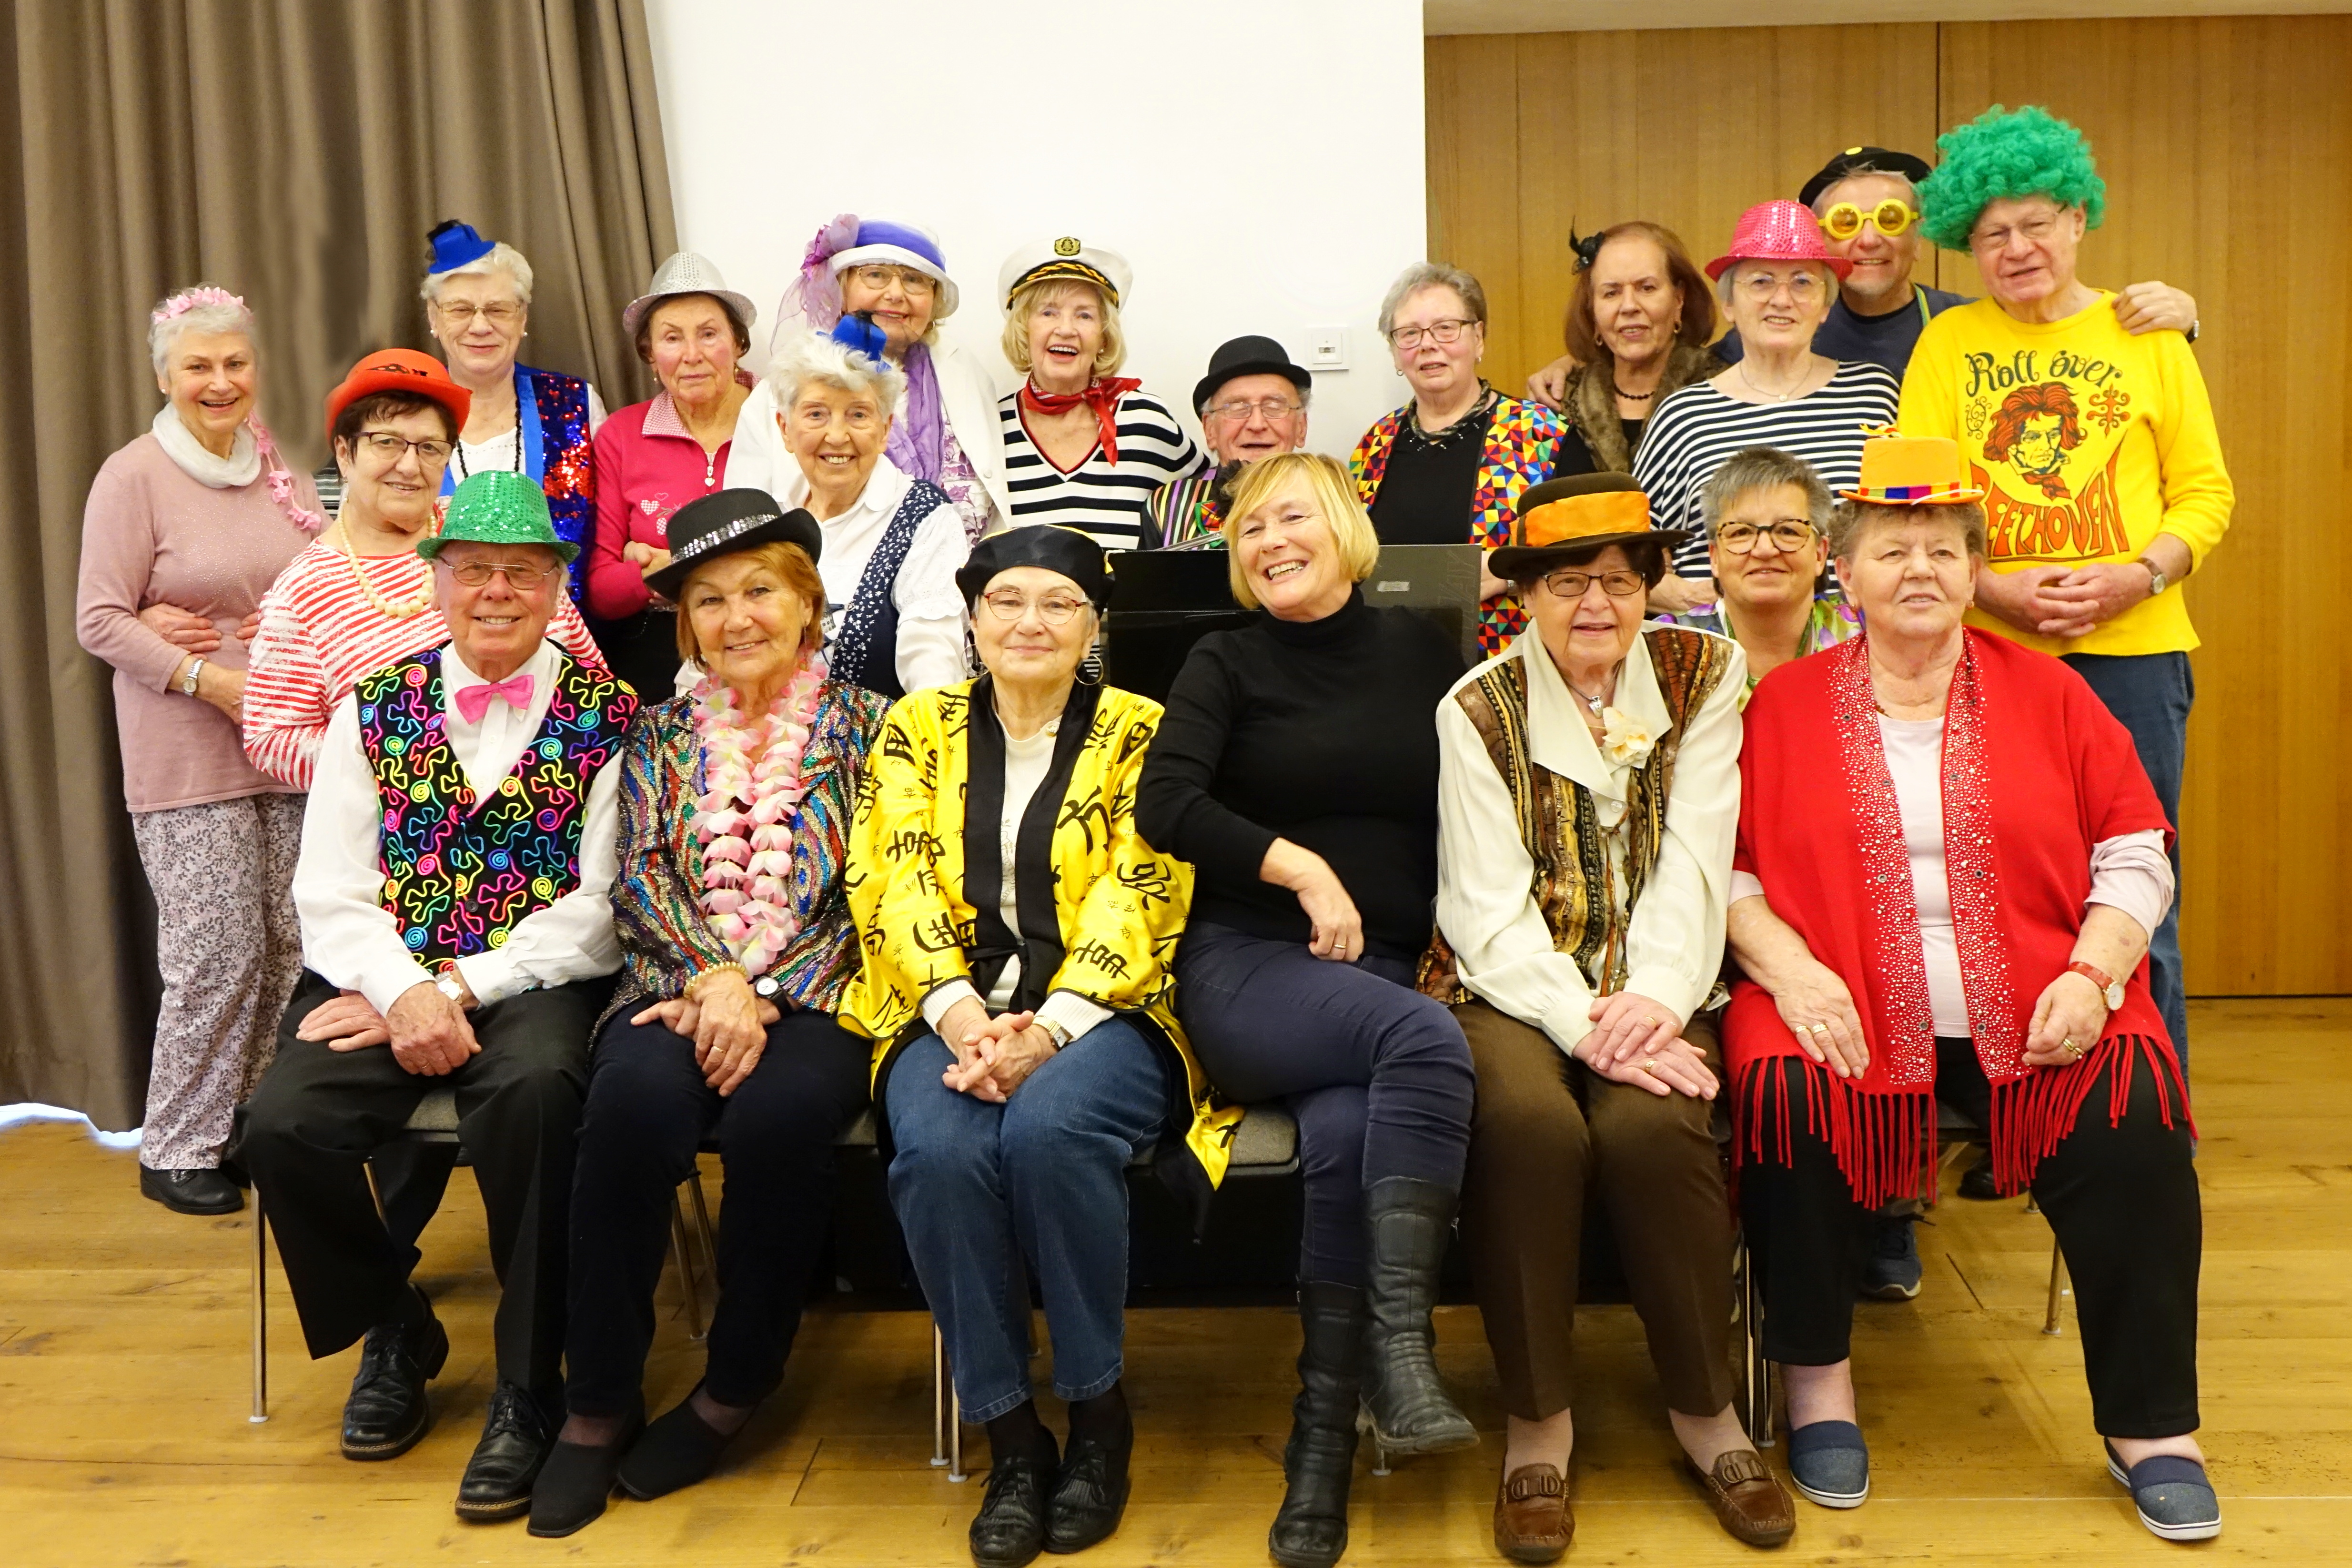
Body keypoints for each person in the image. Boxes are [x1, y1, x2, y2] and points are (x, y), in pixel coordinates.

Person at [1722, 431, 2211, 1543]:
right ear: (1842, 573)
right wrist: (1791, 971)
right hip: (1833, 994)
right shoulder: (1781, 705)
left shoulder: (2052, 694)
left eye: (1943, 550)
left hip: (2045, 997)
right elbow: (1729, 870)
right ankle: (1817, 1383)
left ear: (1971, 569)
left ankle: (2152, 1426)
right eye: (1891, 550)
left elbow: (2136, 850)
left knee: (2135, 1120)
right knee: (1782, 1095)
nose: (1918, 572)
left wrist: (2095, 974)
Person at [232, 472, 636, 1523]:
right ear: (436, 582)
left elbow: (599, 911)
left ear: (556, 589)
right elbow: (328, 890)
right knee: (282, 1123)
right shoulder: (373, 706)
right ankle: (395, 1319)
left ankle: (528, 1386)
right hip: (384, 977)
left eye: (522, 572)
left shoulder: (614, 720)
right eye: (473, 571)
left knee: (542, 1098)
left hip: (534, 978)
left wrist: (458, 986)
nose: (496, 591)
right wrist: (407, 989)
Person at [843, 525, 1232, 1568]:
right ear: (969, 620)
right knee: (940, 1153)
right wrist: (966, 1019)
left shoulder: (1142, 729)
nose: (1028, 621)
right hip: (944, 1010)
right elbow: (889, 879)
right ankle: (1012, 1434)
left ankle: (1098, 1413)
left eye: (1057, 603)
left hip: (1104, 1011)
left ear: (1094, 626)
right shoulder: (913, 727)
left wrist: (1048, 1029)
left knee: (1052, 1134)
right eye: (1005, 600)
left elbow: (1144, 887)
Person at [1429, 475, 1794, 1557]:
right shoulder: (1475, 709)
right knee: (1529, 1126)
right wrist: (1581, 1021)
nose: (1597, 605)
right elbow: (1482, 908)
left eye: (1620, 581)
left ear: (1649, 588)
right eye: (1569, 583)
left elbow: (1698, 857)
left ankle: (1705, 1408)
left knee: (1655, 1125)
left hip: (1659, 976)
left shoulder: (1705, 675)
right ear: (1529, 595)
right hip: (1509, 981)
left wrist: (1654, 1002)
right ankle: (1538, 1422)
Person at [1136, 452, 1476, 1568]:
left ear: (1341, 526)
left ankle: (1320, 1444)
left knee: (1344, 1134)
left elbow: (1460, 813)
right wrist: (1299, 868)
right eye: (1246, 530)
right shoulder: (1222, 659)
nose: (1268, 540)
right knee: (1424, 1045)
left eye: (1290, 517)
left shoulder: (1422, 652)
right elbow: (1166, 802)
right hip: (1250, 964)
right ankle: (1401, 1346)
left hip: (1374, 971)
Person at [529, 492, 892, 1537]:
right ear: (683, 625)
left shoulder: (875, 726)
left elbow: (876, 884)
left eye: (759, 591)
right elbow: (636, 876)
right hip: (675, 989)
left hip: (820, 993)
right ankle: (596, 1401)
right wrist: (712, 978)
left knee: (782, 1121)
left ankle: (736, 1382)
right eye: (709, 601)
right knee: (631, 1111)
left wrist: (767, 987)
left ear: (806, 603)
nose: (737, 617)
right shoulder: (653, 735)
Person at [1900, 104, 2231, 1082]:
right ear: (1968, 243)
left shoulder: (2147, 331)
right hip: (1988, 652)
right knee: (2000, 884)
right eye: (1991, 232)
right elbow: (1920, 498)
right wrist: (1991, 590)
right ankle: (2015, 1109)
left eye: (2036, 222)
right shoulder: (1946, 343)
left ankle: (2144, 1109)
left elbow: (2204, 493)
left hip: (2136, 653)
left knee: (2135, 885)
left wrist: (2139, 571)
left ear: (2077, 218)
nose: (2015, 247)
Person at [73, 284, 322, 1214]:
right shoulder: (131, 476)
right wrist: (200, 671)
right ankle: (174, 1144)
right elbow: (98, 617)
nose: (220, 382)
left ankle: (246, 1124)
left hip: (281, 740)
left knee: (287, 948)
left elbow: (311, 564)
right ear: (165, 376)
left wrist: (280, 615)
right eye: (198, 366)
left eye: (235, 363)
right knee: (216, 950)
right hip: (186, 747)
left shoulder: (272, 464)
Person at [1524, 149, 2197, 397]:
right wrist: (1575, 359)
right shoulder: (1763, 334)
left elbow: (2065, 351)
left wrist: (2180, 320)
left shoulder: (1970, 325)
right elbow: (1666, 363)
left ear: (1922, 235)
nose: (1869, 240)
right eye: (1844, 225)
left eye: (1892, 221)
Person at [242, 350, 605, 791]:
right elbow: (271, 739)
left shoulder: (485, 531)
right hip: (394, 843)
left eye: (430, 448)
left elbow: (589, 676)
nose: (410, 466)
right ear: (344, 450)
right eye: (387, 442)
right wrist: (405, 769)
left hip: (544, 812)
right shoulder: (302, 589)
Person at [1635, 202, 1899, 614]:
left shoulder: (1874, 393)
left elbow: (1904, 530)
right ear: (1729, 305)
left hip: (1856, 653)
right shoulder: (1683, 417)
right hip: (1720, 654)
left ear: (1826, 306)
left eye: (1802, 283)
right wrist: (1683, 596)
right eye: (1760, 282)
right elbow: (1628, 560)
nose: (1782, 299)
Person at [729, 214, 1009, 542]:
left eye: (914, 280)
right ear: (841, 290)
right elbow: (743, 519)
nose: (895, 294)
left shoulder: (966, 373)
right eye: (875, 275)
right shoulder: (783, 389)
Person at [747, 322, 970, 698]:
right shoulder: (764, 518)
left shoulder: (925, 518)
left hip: (886, 749)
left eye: (858, 415)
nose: (837, 436)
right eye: (816, 414)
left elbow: (933, 661)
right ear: (785, 429)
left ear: (885, 430)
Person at [1351, 262, 1563, 657]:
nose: (1428, 344)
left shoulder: (1542, 434)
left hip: (1512, 661)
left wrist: (1509, 576)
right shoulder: (1373, 446)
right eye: (1409, 334)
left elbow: (1587, 552)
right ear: (1396, 355)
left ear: (1478, 337)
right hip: (1389, 663)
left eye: (1446, 328)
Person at [585, 252, 759, 695]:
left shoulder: (777, 419)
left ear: (738, 343)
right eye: (671, 338)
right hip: (657, 646)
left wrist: (665, 567)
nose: (692, 355)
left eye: (708, 334)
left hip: (761, 636)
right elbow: (603, 590)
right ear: (649, 354)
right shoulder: (621, 434)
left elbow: (809, 557)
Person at [419, 221, 605, 592]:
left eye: (498, 310)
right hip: (429, 640)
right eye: (460, 309)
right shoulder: (404, 416)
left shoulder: (577, 403)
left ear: (522, 318)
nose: (480, 326)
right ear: (434, 318)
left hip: (570, 640)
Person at [994, 237, 1203, 549]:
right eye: (1048, 312)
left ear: (1104, 336)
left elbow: (1209, 510)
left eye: (1085, 315)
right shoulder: (990, 430)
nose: (1066, 329)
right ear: (1023, 328)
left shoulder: (1147, 421)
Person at [1649, 446, 1858, 692]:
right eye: (1741, 532)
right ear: (1714, 557)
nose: (1764, 550)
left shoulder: (1867, 636)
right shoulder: (1666, 649)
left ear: (1821, 554)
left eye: (1788, 531)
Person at [1525, 224, 1723, 478]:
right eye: (1611, 293)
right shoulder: (1555, 403)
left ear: (1679, 299)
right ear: (1592, 311)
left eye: (1647, 288)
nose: (1629, 306)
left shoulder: (1724, 390)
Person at [1146, 334, 1313, 547]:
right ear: (1210, 430)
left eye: (1273, 407)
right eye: (1237, 408)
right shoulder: (1168, 506)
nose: (1257, 424)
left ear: (1301, 426)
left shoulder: (1332, 498)